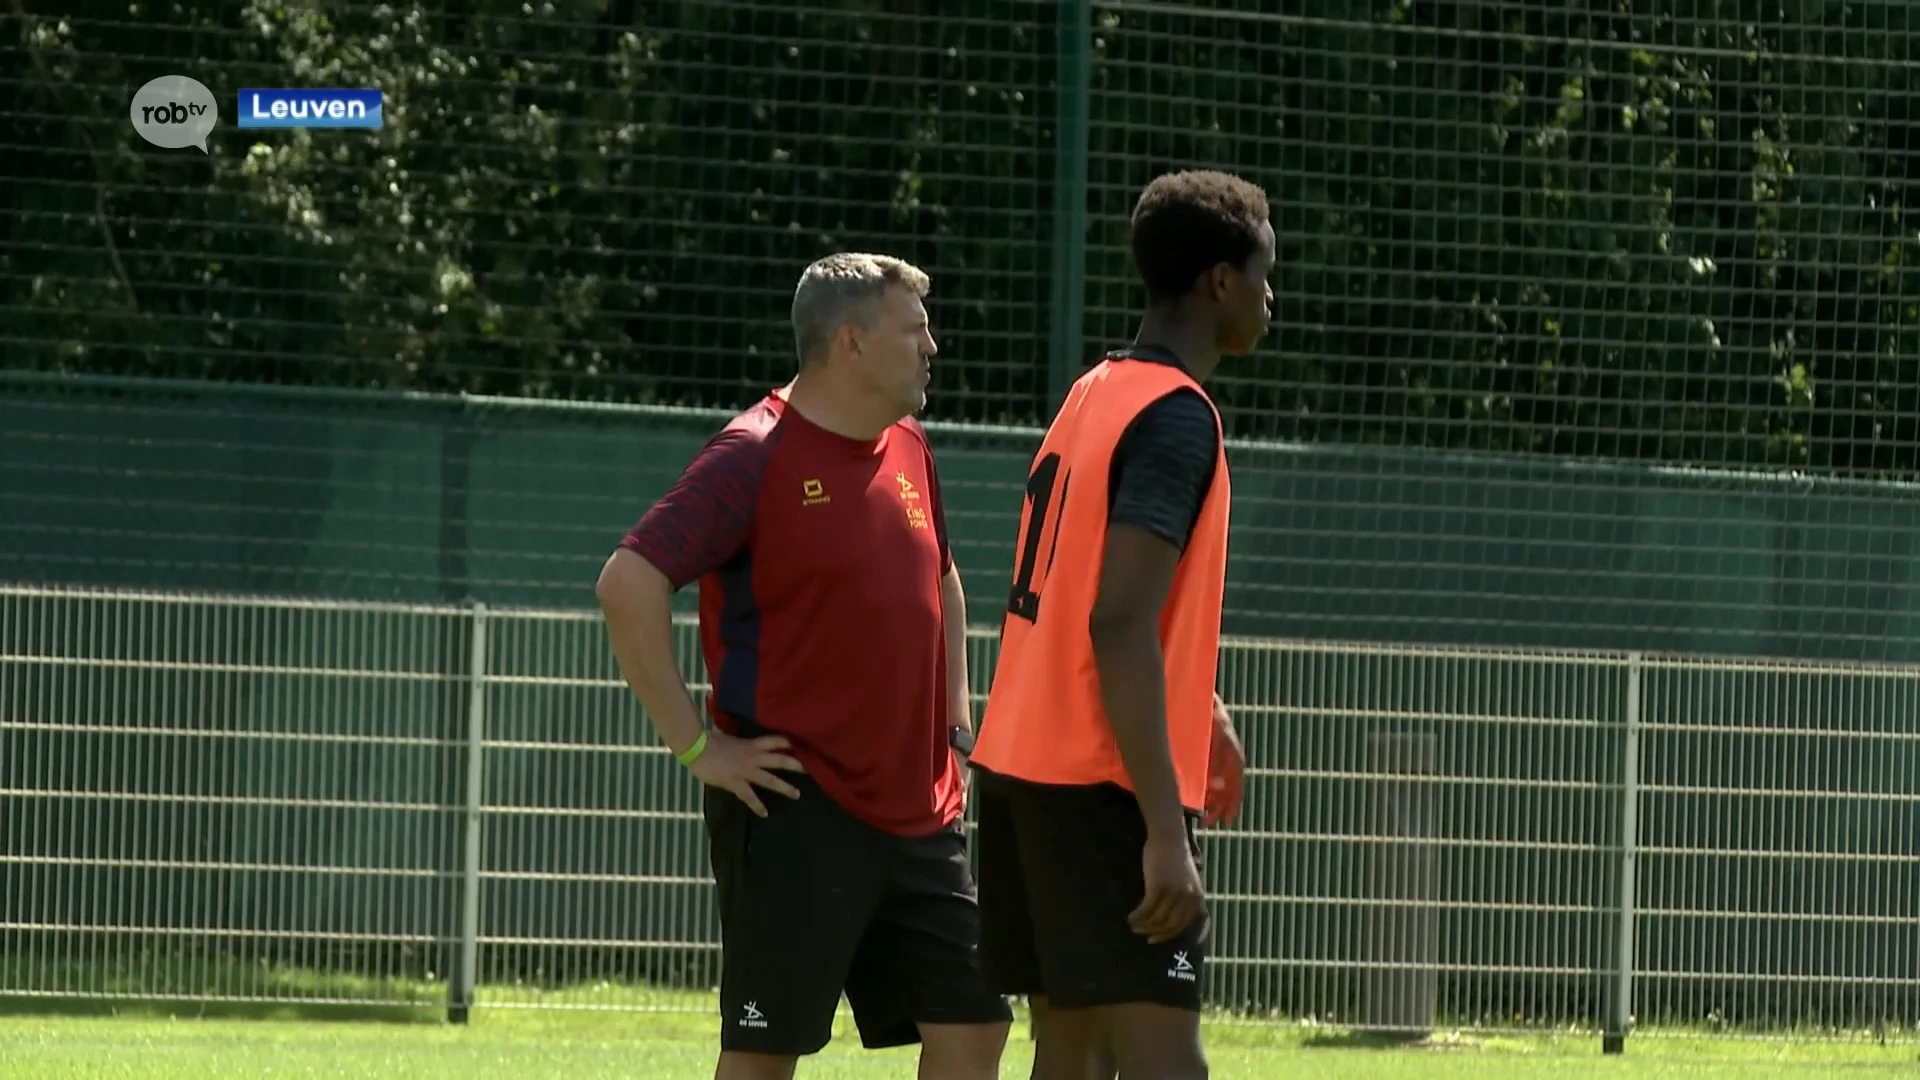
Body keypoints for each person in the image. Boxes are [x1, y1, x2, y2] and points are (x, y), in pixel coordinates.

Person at [595, 252, 1013, 1080]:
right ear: (853, 342)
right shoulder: (750, 454)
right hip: (794, 805)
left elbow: (945, 577)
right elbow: (627, 584)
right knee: (764, 1053)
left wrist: (955, 722)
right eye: (915, 328)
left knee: (975, 1027)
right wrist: (696, 747)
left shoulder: (910, 448)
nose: (934, 344)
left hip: (921, 813)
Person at [968, 170, 1274, 1080]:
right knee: (1162, 1058)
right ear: (1218, 282)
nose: (1271, 297)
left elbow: (1087, 598)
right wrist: (1162, 830)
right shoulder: (1179, 419)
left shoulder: (1095, 391)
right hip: (1102, 785)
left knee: (1071, 1052)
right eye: (1264, 273)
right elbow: (1116, 620)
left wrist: (1197, 701)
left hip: (1025, 768)